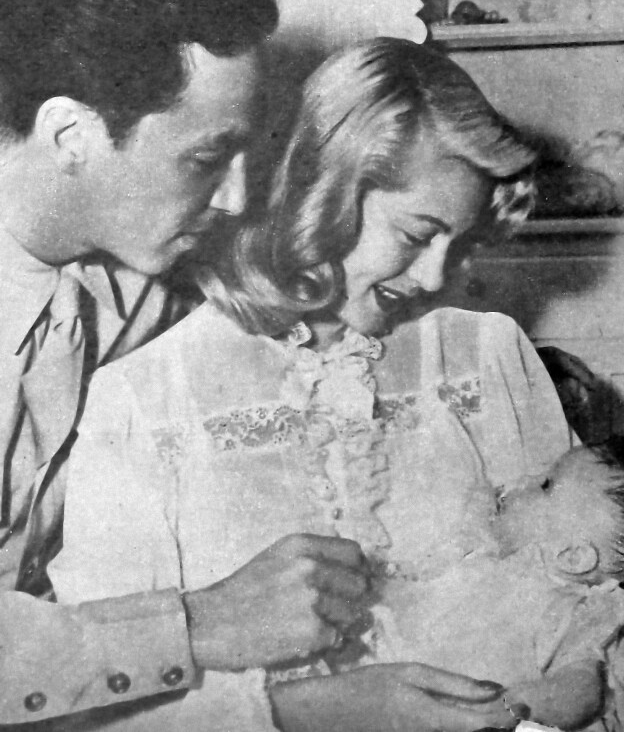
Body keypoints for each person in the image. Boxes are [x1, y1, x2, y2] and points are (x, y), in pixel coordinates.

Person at [48, 38, 589, 731]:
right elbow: (101, 709)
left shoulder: (487, 355)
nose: (433, 276)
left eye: (459, 243)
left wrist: (522, 707)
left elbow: (589, 591)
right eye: (415, 234)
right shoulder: (144, 399)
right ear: (322, 191)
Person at [0, 0, 372, 724]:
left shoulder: (145, 285)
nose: (235, 197)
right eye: (206, 159)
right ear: (71, 134)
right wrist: (198, 625)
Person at [345, 443, 624, 730]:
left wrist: (512, 707)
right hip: (377, 678)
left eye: (546, 485)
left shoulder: (567, 608)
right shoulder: (484, 556)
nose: (525, 480)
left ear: (573, 557)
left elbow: (582, 687)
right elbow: (419, 593)